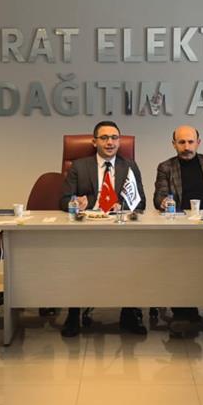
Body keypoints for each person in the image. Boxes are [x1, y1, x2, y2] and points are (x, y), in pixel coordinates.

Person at [59, 120, 147, 337]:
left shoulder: (129, 166)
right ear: (94, 142)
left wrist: (123, 205)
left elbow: (141, 202)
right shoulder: (79, 166)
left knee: (132, 259)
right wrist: (78, 202)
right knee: (76, 260)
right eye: (105, 138)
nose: (110, 142)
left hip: (119, 227)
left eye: (114, 138)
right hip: (86, 228)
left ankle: (128, 313)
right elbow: (63, 200)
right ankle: (73, 314)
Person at [153, 125, 203, 325]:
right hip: (180, 230)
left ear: (198, 143)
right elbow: (159, 196)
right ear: (174, 144)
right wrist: (163, 202)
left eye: (191, 142)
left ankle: (194, 306)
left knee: (200, 257)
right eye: (181, 142)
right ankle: (184, 312)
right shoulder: (166, 167)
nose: (187, 147)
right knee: (180, 257)